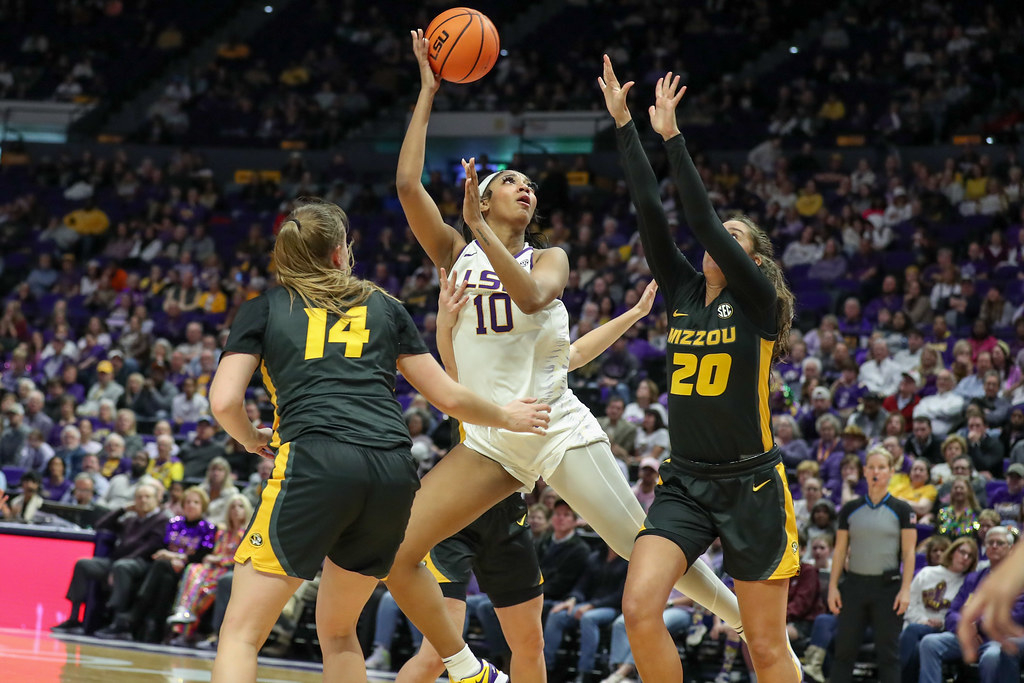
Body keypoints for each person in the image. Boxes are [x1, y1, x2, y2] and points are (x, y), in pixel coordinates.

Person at [388, 35, 744, 683]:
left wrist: (477, 230)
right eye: (509, 181)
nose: (524, 187)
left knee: (639, 545)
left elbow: (528, 296)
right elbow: (407, 182)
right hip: (494, 435)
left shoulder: (547, 257)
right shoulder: (452, 252)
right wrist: (428, 91)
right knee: (396, 549)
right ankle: (469, 670)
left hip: (552, 422)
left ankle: (741, 612)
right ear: (485, 196)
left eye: (528, 183)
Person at [208, 197, 549, 683]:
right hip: (391, 473)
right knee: (340, 632)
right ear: (337, 254)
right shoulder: (385, 305)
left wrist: (251, 438)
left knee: (241, 634)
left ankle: (464, 665)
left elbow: (224, 402)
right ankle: (465, 666)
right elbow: (446, 396)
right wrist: (505, 416)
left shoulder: (263, 309)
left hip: (316, 461)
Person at [600, 60, 796, 682]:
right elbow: (652, 214)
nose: (717, 240)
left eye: (735, 237)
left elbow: (702, 221)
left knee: (765, 648)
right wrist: (626, 126)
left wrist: (673, 137)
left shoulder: (758, 303)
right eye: (720, 235)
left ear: (753, 260)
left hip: (753, 487)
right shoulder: (684, 291)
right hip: (685, 483)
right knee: (637, 607)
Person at [397, 264, 660, 683]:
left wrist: (632, 315)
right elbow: (449, 373)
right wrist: (446, 323)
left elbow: (573, 356)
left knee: (530, 644)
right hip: (456, 517)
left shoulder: (528, 367)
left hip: (507, 515)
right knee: (435, 655)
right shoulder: (468, 365)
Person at [826, 446, 916, 683]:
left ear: (891, 472)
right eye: (872, 467)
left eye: (882, 467)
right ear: (864, 471)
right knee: (843, 653)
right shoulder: (850, 509)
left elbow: (909, 554)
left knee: (888, 656)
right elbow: (839, 551)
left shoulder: (903, 510)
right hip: (854, 586)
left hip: (887, 589)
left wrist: (906, 589)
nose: (876, 472)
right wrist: (833, 586)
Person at [919, 526, 1022, 683]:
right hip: (964, 636)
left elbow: (1017, 615)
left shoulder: (1017, 581)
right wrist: (965, 626)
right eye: (990, 543)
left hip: (995, 640)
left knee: (992, 657)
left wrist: (977, 625)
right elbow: (952, 612)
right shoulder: (973, 578)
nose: (994, 546)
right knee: (930, 643)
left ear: (1011, 549)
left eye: (999, 543)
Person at [899, 537, 977, 683]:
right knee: (915, 645)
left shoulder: (966, 582)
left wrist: (940, 623)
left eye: (970, 556)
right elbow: (909, 602)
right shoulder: (927, 573)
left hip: (941, 629)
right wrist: (922, 620)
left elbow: (959, 613)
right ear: (953, 552)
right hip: (916, 623)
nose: (965, 558)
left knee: (913, 635)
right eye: (962, 552)